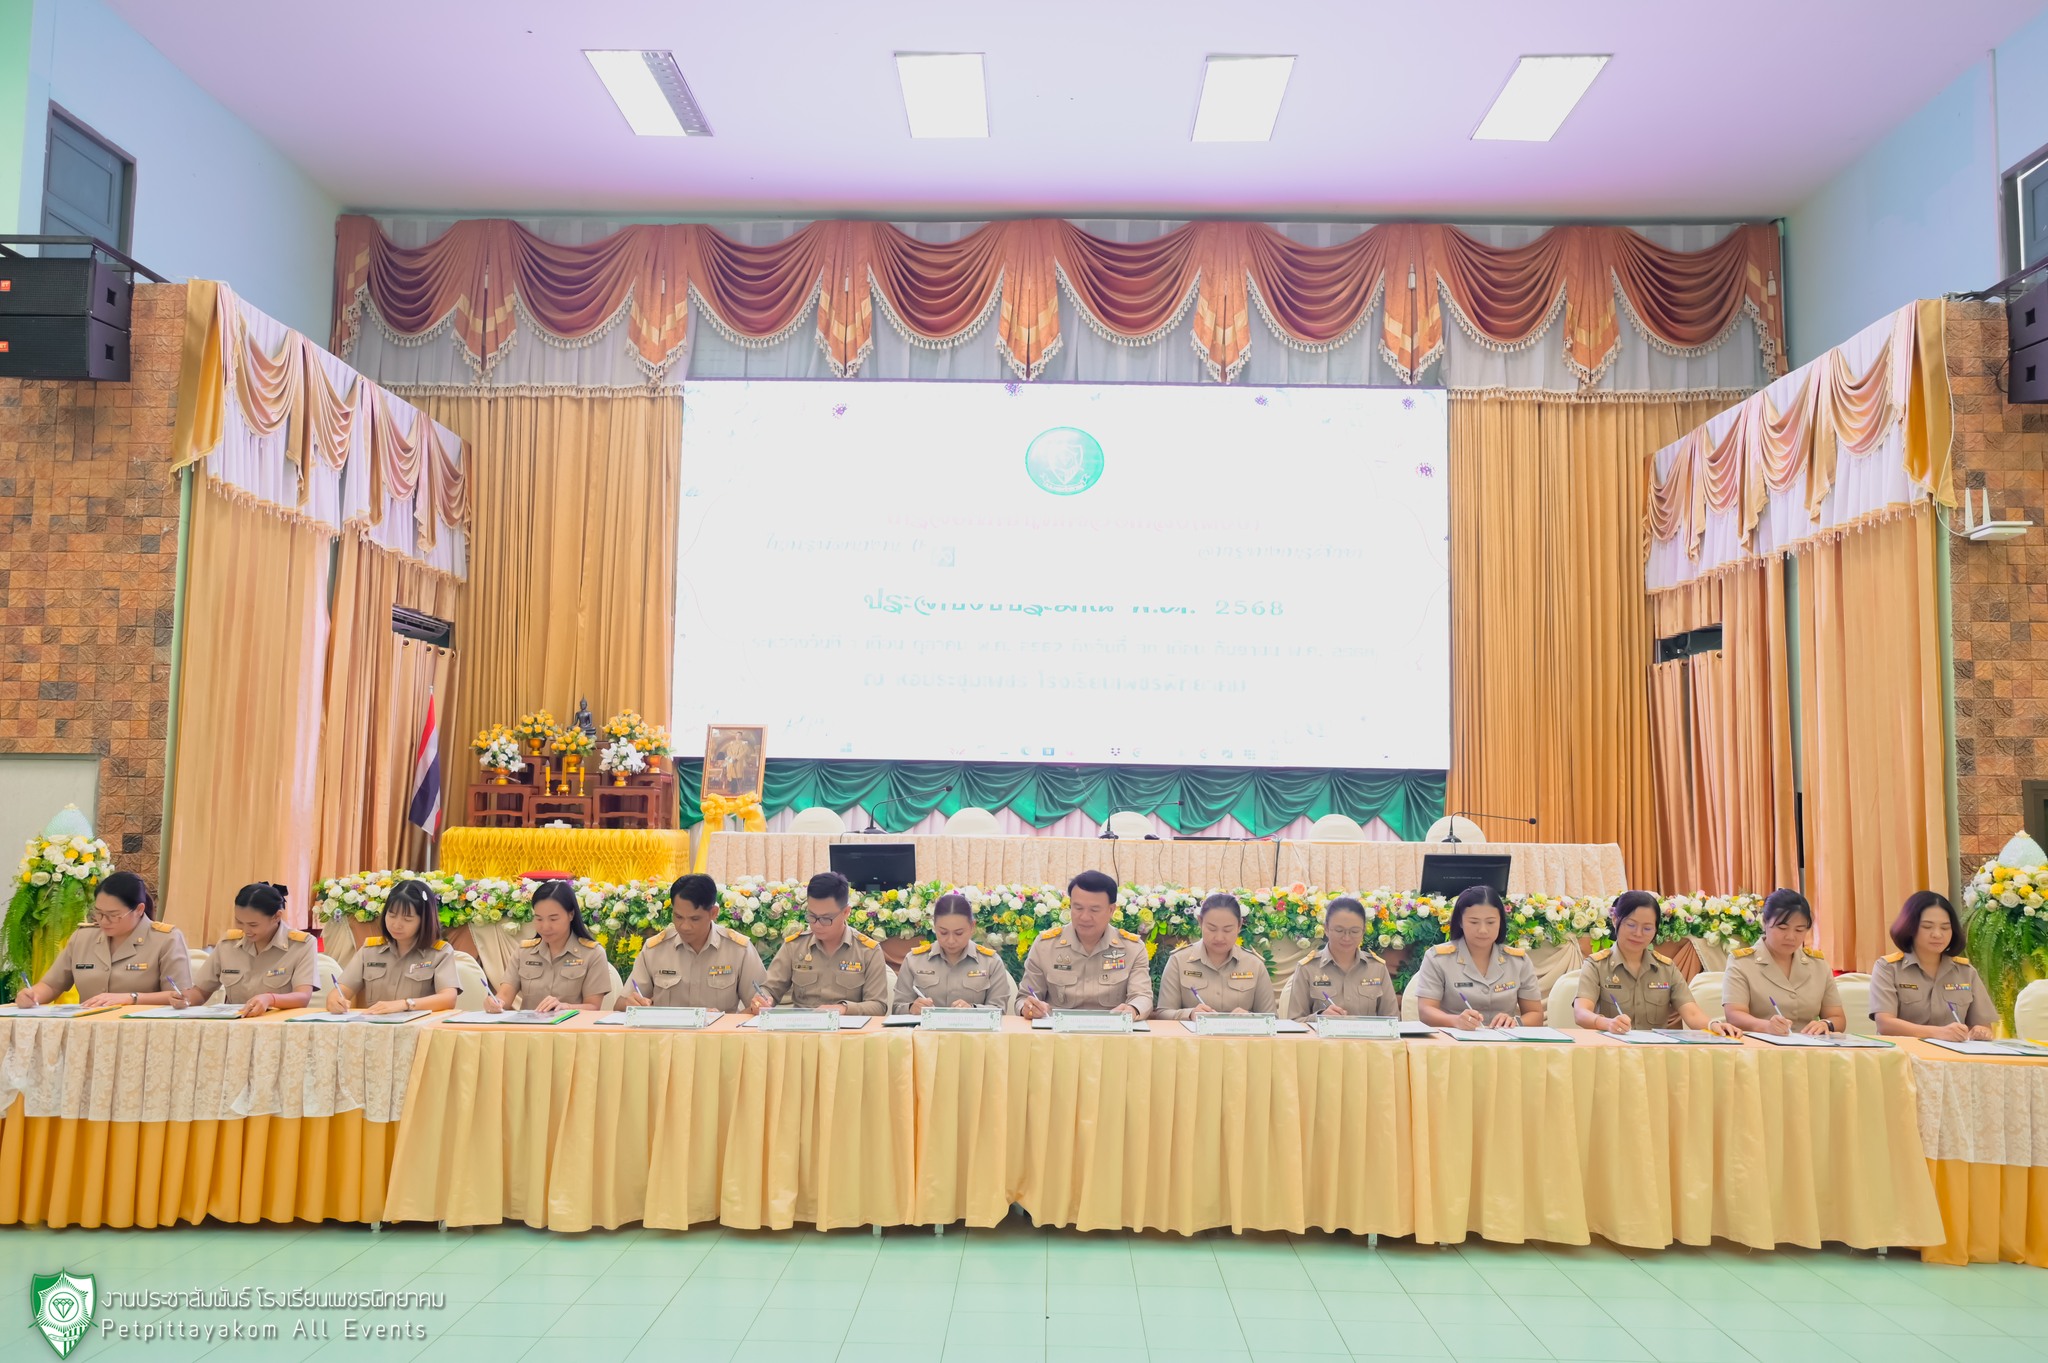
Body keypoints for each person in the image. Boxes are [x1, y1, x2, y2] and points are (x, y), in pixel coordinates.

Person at [1573, 890, 1739, 1035]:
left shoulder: (1666, 968)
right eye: (1631, 925)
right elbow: (1581, 1013)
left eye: (1647, 928)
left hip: (1655, 1052)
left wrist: (1713, 1025)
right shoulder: (1596, 965)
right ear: (1616, 920)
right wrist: (1607, 1023)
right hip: (1612, 1049)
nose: (1638, 934)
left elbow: (1692, 1013)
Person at [16, 871, 191, 1009]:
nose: (103, 921)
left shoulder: (166, 939)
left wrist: (132, 998)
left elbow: (180, 995)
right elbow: (52, 985)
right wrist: (32, 995)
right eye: (98, 913)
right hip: (89, 1028)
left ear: (139, 909)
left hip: (142, 1031)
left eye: (113, 915)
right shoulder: (83, 937)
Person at [1016, 870, 1153, 1019]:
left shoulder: (1132, 948)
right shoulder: (1045, 946)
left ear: (1111, 910)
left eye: (1094, 910)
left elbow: (1142, 996)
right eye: (1078, 908)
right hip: (1057, 1030)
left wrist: (1133, 1009)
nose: (1084, 917)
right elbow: (1024, 998)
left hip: (1113, 1029)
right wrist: (1028, 1008)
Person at [626, 873, 769, 1012]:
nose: (684, 926)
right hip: (668, 1029)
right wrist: (631, 1002)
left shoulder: (739, 949)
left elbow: (760, 1008)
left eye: (694, 919)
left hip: (720, 1029)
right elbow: (621, 1004)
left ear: (713, 913)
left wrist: (754, 1007)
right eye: (678, 917)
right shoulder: (655, 949)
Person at [1871, 890, 1997, 1040]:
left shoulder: (1966, 972)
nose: (1937, 934)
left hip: (1953, 1052)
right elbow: (1885, 1024)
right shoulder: (1888, 968)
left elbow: (1983, 1025)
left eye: (1945, 928)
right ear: (1910, 928)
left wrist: (1980, 1031)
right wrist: (1939, 1033)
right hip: (1904, 1051)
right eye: (1927, 927)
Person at [1413, 885, 1544, 1029]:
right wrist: (1455, 1021)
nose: (1483, 930)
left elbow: (1535, 1014)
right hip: (1454, 1039)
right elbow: (1426, 1011)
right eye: (1474, 922)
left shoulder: (1518, 961)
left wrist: (1515, 1023)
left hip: (1504, 1040)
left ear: (1500, 922)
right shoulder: (1438, 958)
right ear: (1460, 922)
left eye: (1491, 922)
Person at [1722, 888, 1848, 1036]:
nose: (1790, 937)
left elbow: (1837, 1017)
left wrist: (1826, 1024)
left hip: (1810, 1046)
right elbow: (1734, 1015)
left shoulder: (1818, 965)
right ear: (1764, 922)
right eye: (1782, 928)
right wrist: (1766, 1026)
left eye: (1799, 930)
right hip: (1760, 1045)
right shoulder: (1742, 963)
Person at [762, 871, 891, 1014]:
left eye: (826, 918)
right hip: (803, 1025)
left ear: (846, 912)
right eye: (812, 916)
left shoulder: (868, 951)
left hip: (846, 1025)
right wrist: (763, 999)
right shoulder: (794, 946)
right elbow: (769, 989)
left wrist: (843, 1009)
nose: (817, 925)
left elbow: (878, 1005)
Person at [327, 879, 459, 1014]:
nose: (396, 925)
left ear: (424, 920)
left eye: (407, 919)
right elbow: (340, 991)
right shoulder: (370, 951)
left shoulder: (440, 953)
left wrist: (405, 1004)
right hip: (375, 1023)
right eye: (392, 915)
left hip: (419, 1025)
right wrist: (335, 1001)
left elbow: (448, 998)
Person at [183, 882, 316, 1016]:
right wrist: (184, 999)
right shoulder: (228, 944)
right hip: (236, 1024)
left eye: (253, 925)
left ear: (277, 916)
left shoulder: (301, 945)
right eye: (239, 922)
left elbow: (303, 997)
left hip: (278, 1023)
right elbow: (200, 992)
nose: (246, 930)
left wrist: (270, 999)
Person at [488, 880, 608, 1014]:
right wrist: (494, 1002)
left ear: (571, 914)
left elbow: (593, 1006)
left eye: (553, 919)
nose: (545, 927)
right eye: (539, 919)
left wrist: (566, 1007)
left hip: (571, 1026)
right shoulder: (524, 952)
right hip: (528, 1026)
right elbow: (504, 996)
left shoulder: (592, 953)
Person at [1154, 893, 1277, 1020]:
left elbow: (1272, 1019)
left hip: (1241, 1033)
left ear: (1239, 926)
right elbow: (1163, 1013)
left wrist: (1251, 1018)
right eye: (1212, 929)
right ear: (1200, 922)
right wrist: (1190, 1014)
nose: (1219, 938)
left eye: (1227, 930)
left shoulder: (1254, 965)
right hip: (1193, 1033)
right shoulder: (1179, 961)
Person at [892, 893, 1018, 1014]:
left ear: (972, 927)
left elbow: (999, 1010)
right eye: (943, 932)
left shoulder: (991, 962)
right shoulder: (914, 960)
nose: (951, 940)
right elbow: (897, 1008)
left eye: (958, 933)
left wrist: (973, 1010)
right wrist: (912, 1008)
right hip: (925, 1029)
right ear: (934, 926)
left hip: (972, 1029)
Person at [1279, 896, 1397, 1019]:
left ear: (1363, 931)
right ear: (1326, 929)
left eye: (1354, 931)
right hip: (1323, 1032)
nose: (1346, 938)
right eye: (1339, 930)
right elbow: (1295, 1022)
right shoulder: (1308, 968)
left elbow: (1392, 1020)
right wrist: (1320, 1017)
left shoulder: (1377, 968)